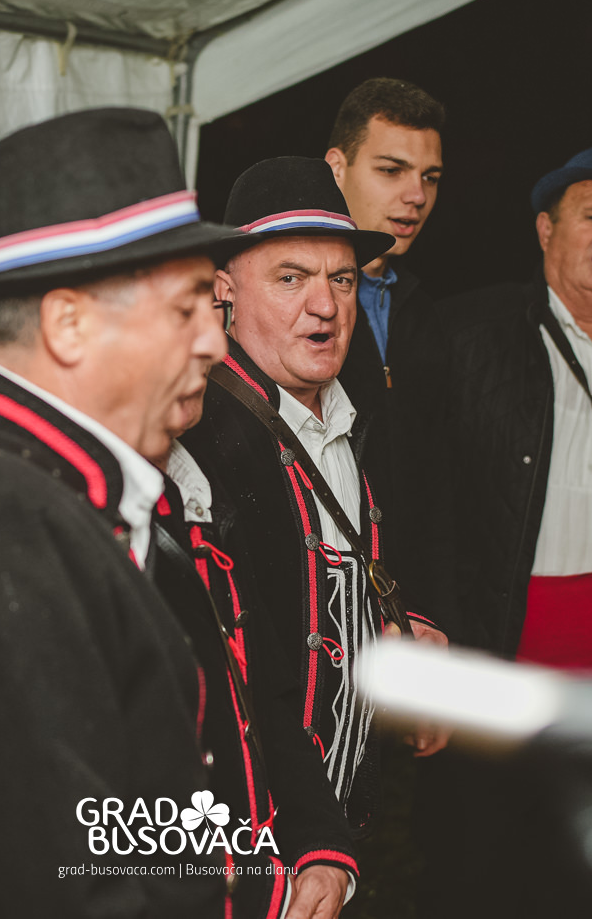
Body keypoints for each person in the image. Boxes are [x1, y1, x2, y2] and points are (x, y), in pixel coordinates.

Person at [0, 107, 244, 918]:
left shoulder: (52, 485)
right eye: (187, 308)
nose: (215, 342)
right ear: (68, 324)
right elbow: (64, 880)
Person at [409, 143, 592, 917]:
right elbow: (431, 508)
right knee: (482, 885)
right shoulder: (471, 333)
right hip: (501, 686)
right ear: (546, 230)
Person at [182, 156, 449, 843]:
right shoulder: (196, 440)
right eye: (291, 278)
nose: (326, 306)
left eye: (342, 279)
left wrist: (399, 625)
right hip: (256, 840)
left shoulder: (356, 417)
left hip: (344, 825)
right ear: (224, 292)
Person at [148, 367, 361, 919]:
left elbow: (260, 689)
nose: (209, 345)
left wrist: (318, 841)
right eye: (179, 322)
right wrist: (252, 891)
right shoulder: (64, 510)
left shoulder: (190, 484)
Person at [324, 77, 445, 397]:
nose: (418, 196)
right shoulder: (300, 301)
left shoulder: (425, 310)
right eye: (392, 170)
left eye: (430, 177)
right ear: (336, 169)